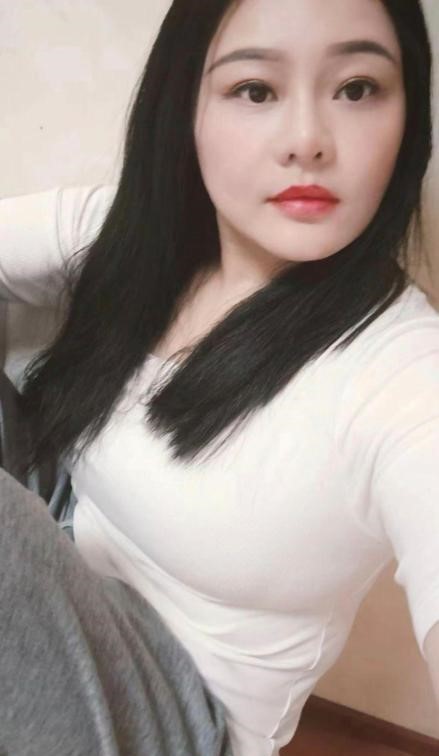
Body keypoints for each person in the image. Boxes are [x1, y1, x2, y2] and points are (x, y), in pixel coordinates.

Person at [1, 0, 438, 754]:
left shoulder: (402, 373)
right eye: (256, 90)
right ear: (186, 109)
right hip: (66, 555)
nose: (307, 140)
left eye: (357, 88)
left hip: (178, 715)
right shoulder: (126, 237)